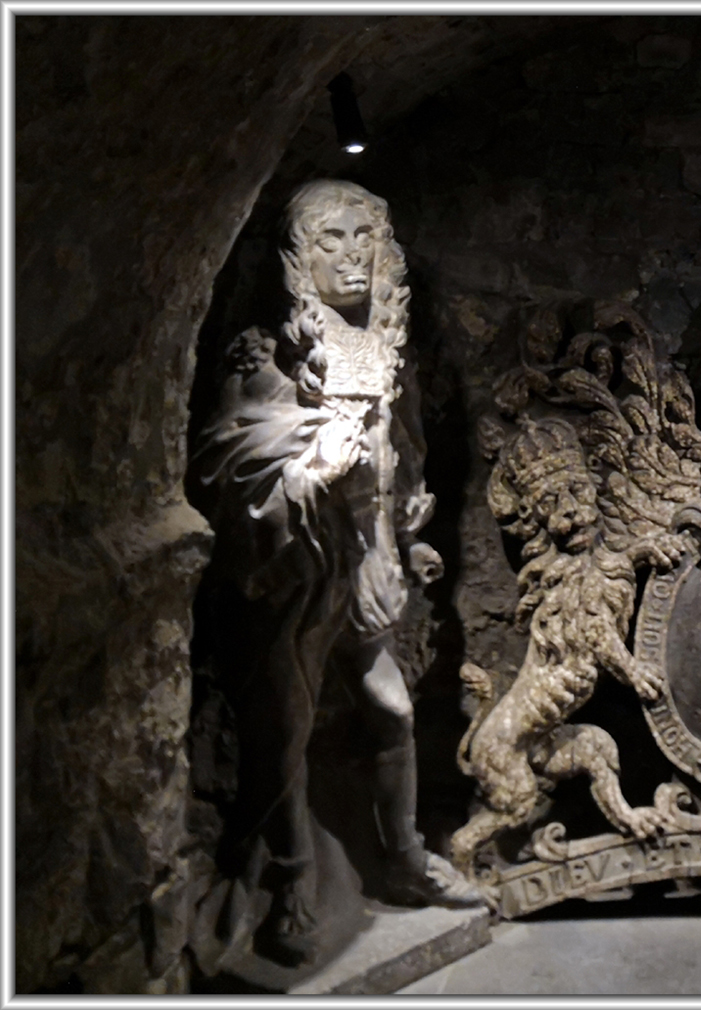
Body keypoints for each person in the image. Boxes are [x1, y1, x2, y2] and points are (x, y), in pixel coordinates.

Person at [193, 179, 480, 967]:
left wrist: (404, 536)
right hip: (296, 569)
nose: (353, 257)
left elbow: (400, 451)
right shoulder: (264, 352)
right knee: (283, 726)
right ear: (299, 257)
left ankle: (405, 858)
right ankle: (292, 881)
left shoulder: (384, 345)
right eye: (332, 240)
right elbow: (226, 458)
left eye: (365, 239)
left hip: (366, 565)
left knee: (392, 711)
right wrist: (311, 468)